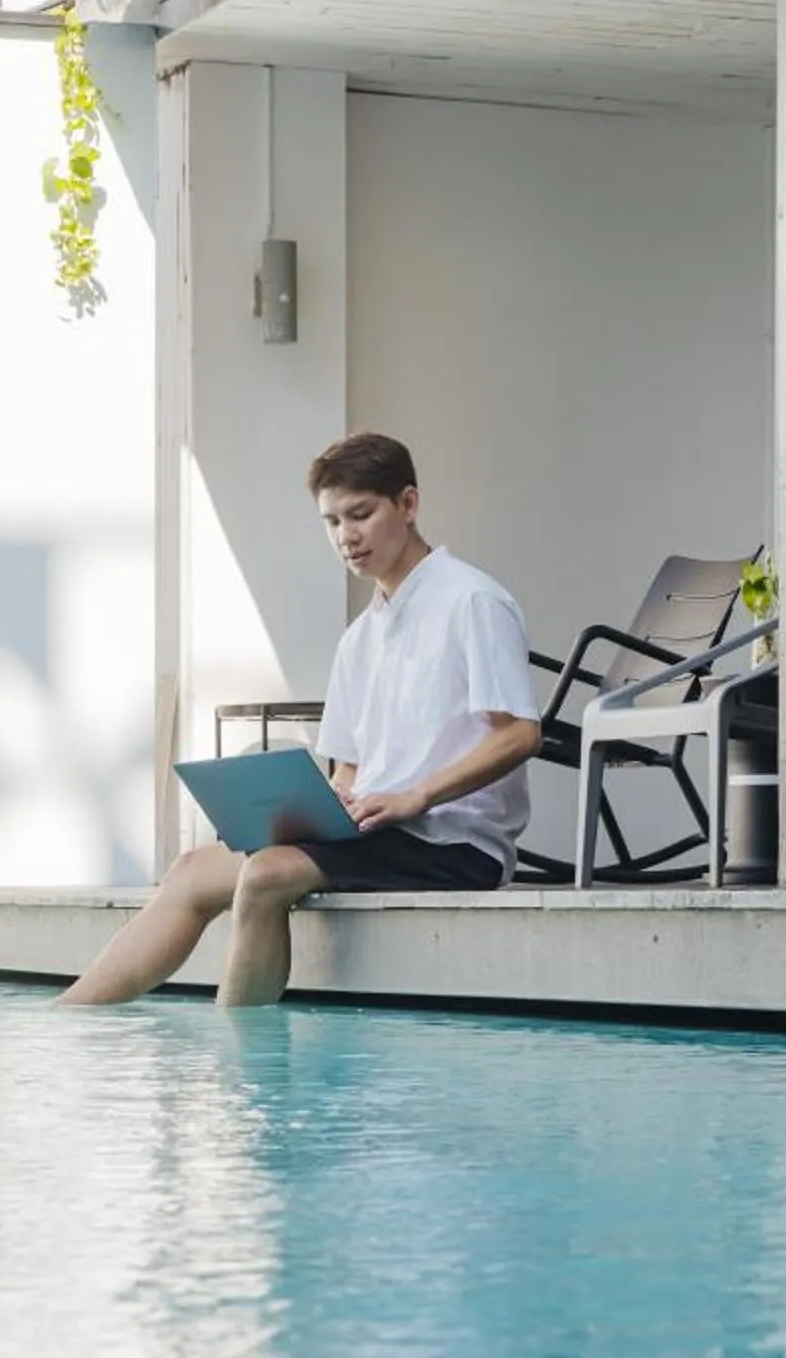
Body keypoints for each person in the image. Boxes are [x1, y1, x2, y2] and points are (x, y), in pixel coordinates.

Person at [60, 432, 543, 1007]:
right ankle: (68, 1021)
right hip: (378, 832)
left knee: (266, 875)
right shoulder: (361, 638)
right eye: (332, 522)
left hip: (455, 842)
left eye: (360, 514)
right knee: (190, 871)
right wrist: (317, 811)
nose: (346, 536)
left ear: (408, 504)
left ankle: (247, 1070)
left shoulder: (471, 602)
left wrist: (416, 796)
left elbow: (520, 732)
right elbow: (348, 771)